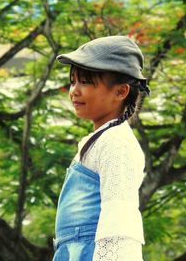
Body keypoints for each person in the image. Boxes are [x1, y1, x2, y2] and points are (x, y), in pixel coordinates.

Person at [52, 36, 151, 261]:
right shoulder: (101, 139)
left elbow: (119, 225)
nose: (74, 91)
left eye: (85, 82)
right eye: (73, 81)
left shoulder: (116, 143)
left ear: (121, 92)